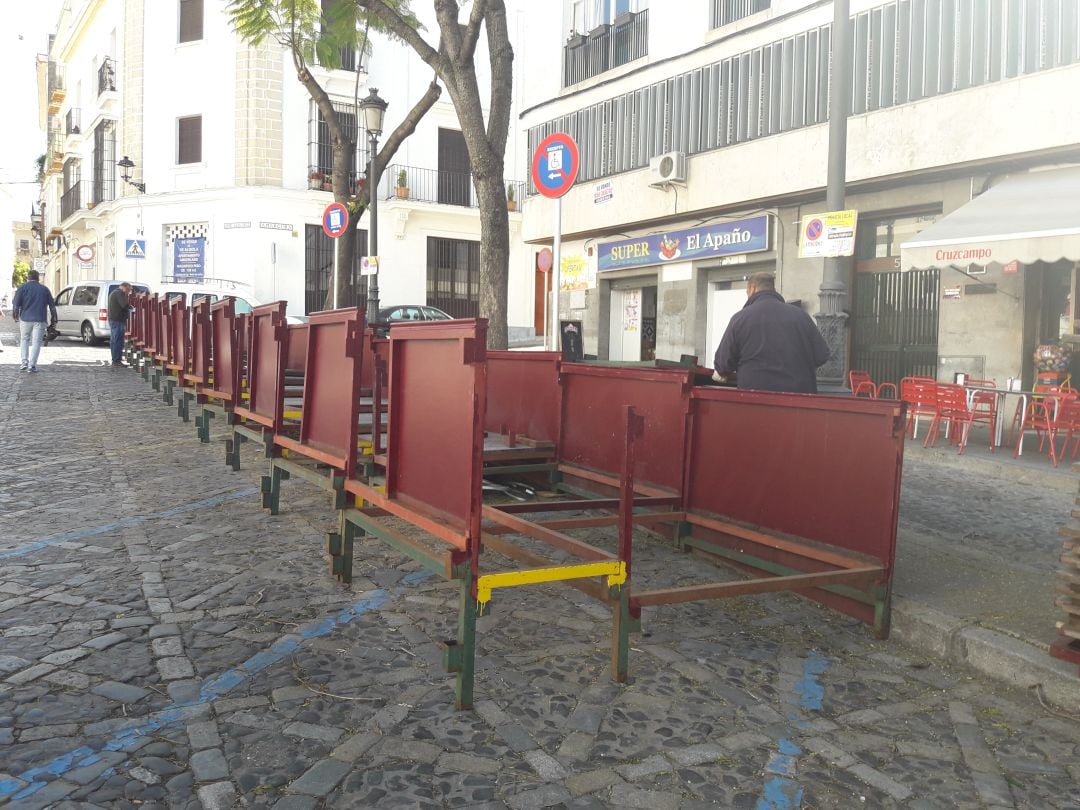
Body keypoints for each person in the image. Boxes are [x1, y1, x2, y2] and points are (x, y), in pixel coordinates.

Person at [713, 271, 830, 394]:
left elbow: (723, 365)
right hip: (799, 400)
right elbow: (822, 355)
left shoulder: (740, 319)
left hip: (754, 400)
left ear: (752, 288)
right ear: (773, 289)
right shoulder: (801, 316)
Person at [12, 270, 58, 373]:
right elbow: (52, 306)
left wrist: (15, 315)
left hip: (25, 319)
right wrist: (54, 318)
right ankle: (32, 365)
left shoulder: (22, 288)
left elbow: (16, 304)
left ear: (27, 278)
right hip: (40, 319)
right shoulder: (45, 289)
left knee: (24, 339)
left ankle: (24, 362)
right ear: (38, 278)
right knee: (36, 342)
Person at [107, 282, 133, 366]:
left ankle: (117, 359)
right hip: (117, 320)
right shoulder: (119, 293)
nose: (128, 292)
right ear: (124, 287)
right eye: (128, 290)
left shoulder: (115, 293)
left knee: (116, 340)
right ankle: (116, 360)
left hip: (116, 319)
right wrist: (131, 308)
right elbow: (124, 305)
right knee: (117, 340)